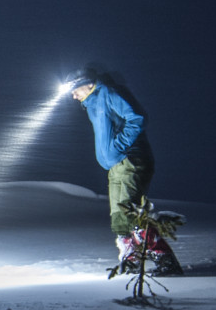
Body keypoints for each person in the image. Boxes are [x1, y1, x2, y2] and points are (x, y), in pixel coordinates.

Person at [66, 67, 181, 275]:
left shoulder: (110, 93)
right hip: (115, 167)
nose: (73, 96)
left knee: (133, 214)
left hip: (131, 160)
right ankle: (131, 261)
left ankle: (166, 261)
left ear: (88, 83)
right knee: (120, 218)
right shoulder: (92, 104)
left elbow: (137, 118)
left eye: (75, 90)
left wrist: (119, 147)